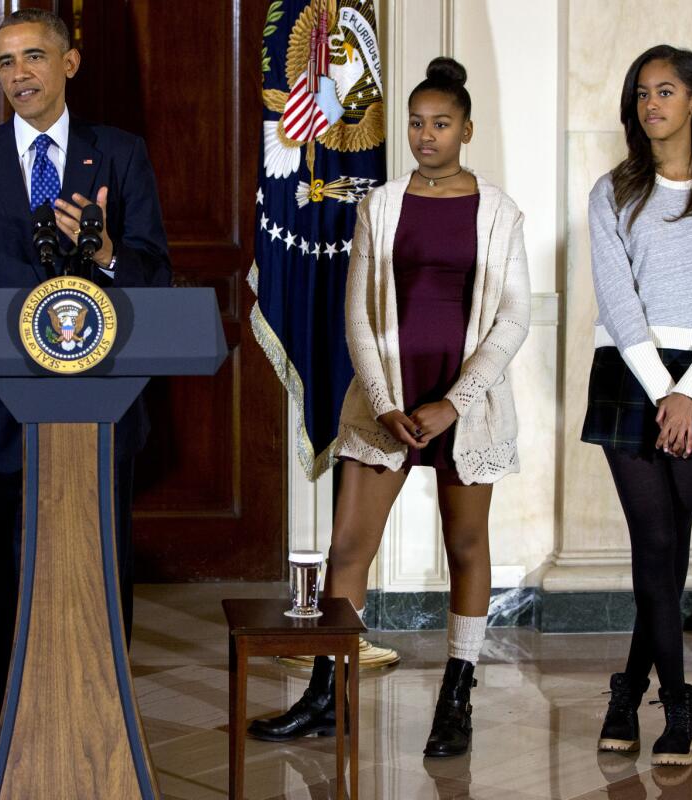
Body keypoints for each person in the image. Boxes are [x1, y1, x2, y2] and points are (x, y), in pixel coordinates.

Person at [248, 57, 531, 758]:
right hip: (387, 401)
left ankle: (457, 695)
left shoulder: (498, 211)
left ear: (467, 128)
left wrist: (453, 405)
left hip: (464, 404)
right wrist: (385, 401)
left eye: (440, 124)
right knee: (349, 550)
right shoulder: (381, 203)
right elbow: (358, 316)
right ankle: (327, 693)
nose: (426, 135)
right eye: (416, 123)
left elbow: (515, 318)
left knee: (466, 545)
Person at [0, 8, 171, 748]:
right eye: (5, 62)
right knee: (3, 576)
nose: (19, 74)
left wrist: (100, 256)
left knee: (101, 566)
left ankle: (101, 730)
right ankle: (9, 739)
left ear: (71, 63)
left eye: (33, 57)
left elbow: (155, 272)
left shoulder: (118, 156)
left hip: (103, 406)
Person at [582, 45, 692, 767]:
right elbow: (619, 302)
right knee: (653, 545)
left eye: (666, 90)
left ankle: (629, 690)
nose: (652, 104)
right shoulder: (612, 192)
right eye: (642, 93)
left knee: (670, 552)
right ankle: (676, 700)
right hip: (631, 373)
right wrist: (665, 393)